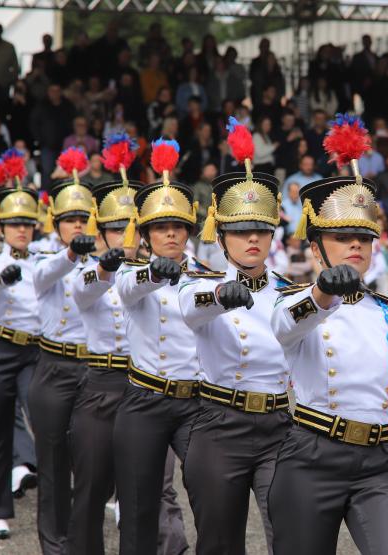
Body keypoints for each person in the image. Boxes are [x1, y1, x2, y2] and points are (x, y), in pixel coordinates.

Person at [269, 117, 388, 554]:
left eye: (364, 236)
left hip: (379, 462)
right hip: (310, 457)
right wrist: (322, 292)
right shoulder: (296, 301)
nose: (355, 245)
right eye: (342, 237)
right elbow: (284, 328)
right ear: (317, 246)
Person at [179, 127, 291, 553]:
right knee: (219, 542)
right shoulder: (201, 285)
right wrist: (222, 295)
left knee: (290, 533)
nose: (252, 239)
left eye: (261, 230)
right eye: (241, 231)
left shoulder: (289, 292)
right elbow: (192, 309)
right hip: (219, 424)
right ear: (221, 236)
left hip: (280, 426)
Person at [71, 175, 185, 555]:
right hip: (103, 385)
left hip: (148, 388)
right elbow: (85, 290)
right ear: (99, 232)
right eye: (114, 229)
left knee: (157, 487)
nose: (124, 235)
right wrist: (105, 268)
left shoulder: (167, 267)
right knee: (92, 484)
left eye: (129, 226)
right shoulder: (93, 269)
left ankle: (171, 549)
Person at [112, 140, 195, 555]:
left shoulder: (206, 276)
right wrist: (154, 274)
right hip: (145, 397)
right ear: (145, 234)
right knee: (140, 503)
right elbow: (128, 288)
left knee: (213, 497)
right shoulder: (132, 273)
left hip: (197, 403)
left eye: (178, 227)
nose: (170, 234)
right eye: (161, 227)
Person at [28, 150, 96, 554]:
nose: (77, 225)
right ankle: (54, 544)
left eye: (83, 218)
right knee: (52, 463)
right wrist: (71, 253)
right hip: (54, 366)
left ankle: (84, 540)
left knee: (91, 463)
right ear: (56, 226)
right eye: (70, 219)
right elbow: (44, 274)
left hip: (93, 370)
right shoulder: (45, 256)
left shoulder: (106, 261)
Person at [0, 185, 43, 539]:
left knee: (46, 419)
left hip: (35, 352)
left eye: (27, 224)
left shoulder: (42, 256)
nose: (21, 230)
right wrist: (6, 276)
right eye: (14, 223)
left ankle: (58, 504)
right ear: (1, 226)